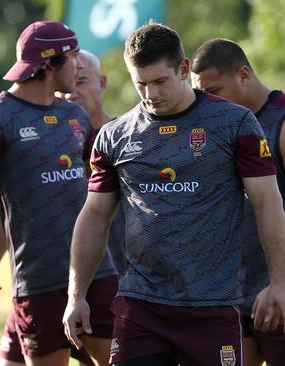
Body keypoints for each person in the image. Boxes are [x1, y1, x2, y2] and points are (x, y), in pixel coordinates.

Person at [63, 22, 285, 366]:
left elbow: (267, 203)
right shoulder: (113, 136)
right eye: (141, 84)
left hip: (212, 304)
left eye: (160, 81)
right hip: (140, 306)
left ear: (183, 70)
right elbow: (94, 215)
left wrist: (280, 282)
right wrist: (76, 295)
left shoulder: (235, 123)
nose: (151, 94)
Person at [0, 21, 118, 366]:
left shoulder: (75, 117)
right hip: (38, 282)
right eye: (73, 56)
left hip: (96, 274)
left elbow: (104, 191)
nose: (80, 64)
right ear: (48, 64)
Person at [191, 38, 285, 366]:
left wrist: (281, 283)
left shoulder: (281, 121)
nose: (206, 103)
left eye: (213, 91)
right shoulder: (216, 128)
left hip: (277, 292)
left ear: (243, 74)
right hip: (231, 296)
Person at [64, 49, 126, 274]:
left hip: (124, 275)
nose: (71, 94)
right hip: (67, 277)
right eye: (66, 86)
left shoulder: (127, 137)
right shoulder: (49, 147)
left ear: (102, 83)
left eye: (80, 81)